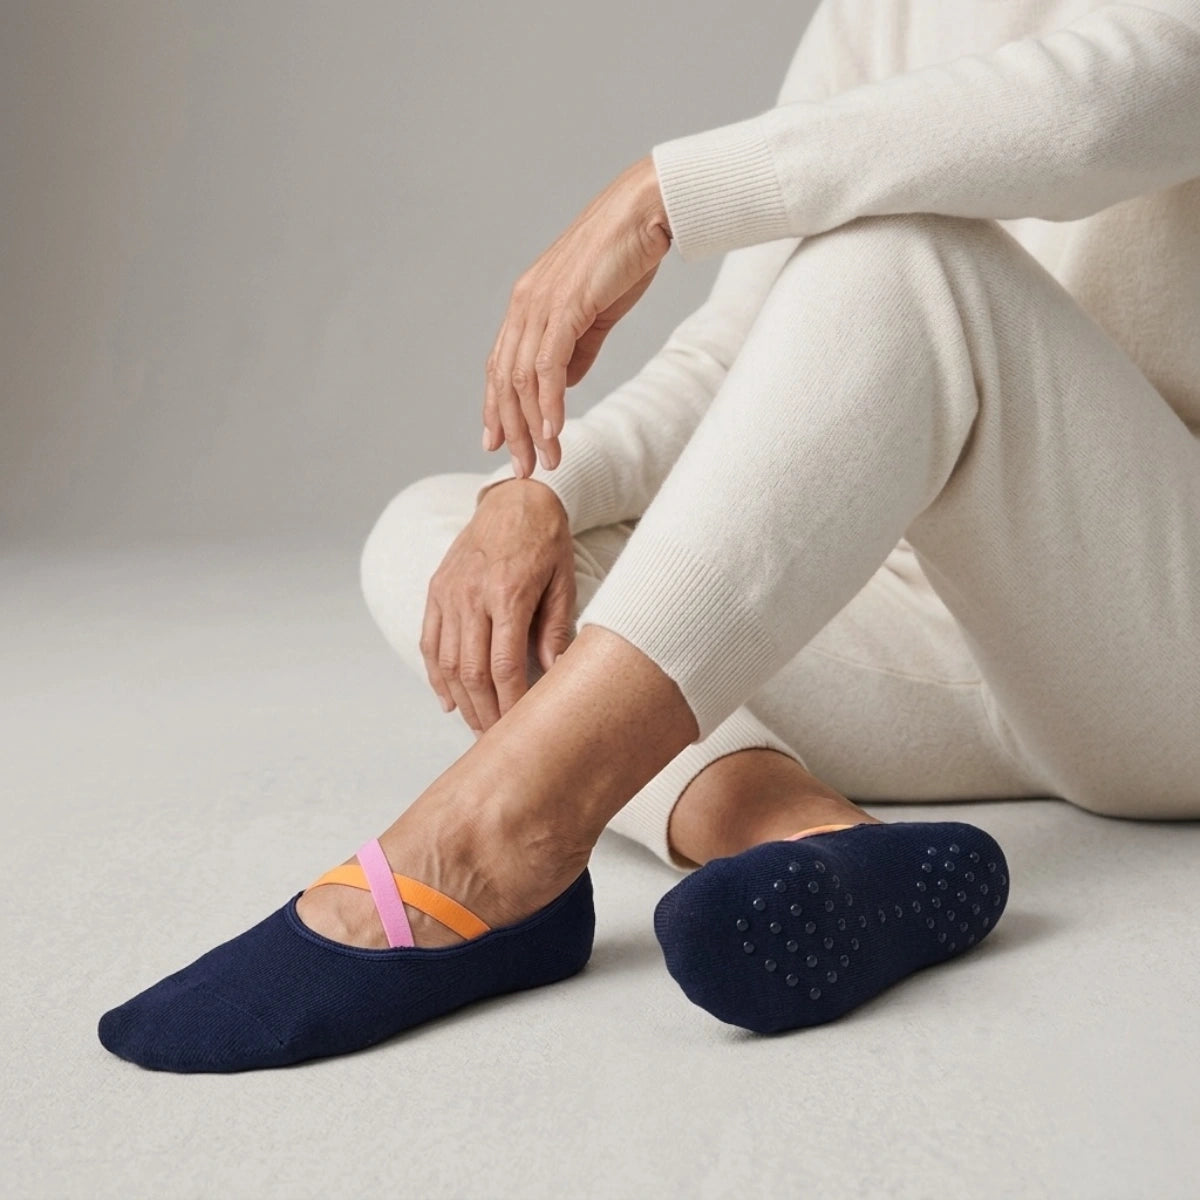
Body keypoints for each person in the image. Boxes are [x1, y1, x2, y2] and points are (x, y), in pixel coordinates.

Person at [98, 0, 1200, 1072]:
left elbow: (1095, 113)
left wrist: (663, 195)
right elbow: (748, 356)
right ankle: (809, 837)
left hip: (1157, 646)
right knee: (451, 539)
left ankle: (498, 837)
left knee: (908, 264)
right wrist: (542, 497)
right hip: (935, 647)